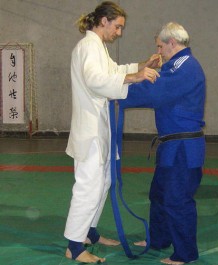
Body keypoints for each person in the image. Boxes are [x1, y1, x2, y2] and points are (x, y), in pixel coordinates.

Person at [64, 1, 160, 263]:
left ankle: (89, 233)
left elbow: (114, 71)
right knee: (88, 187)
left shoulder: (98, 48)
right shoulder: (88, 46)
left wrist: (142, 65)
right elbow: (96, 81)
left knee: (102, 183)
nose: (119, 32)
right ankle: (73, 246)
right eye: (117, 27)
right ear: (103, 21)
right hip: (90, 131)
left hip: (99, 128)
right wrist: (136, 77)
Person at [119, 22, 206, 265]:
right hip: (171, 145)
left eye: (160, 46)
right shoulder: (174, 66)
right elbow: (158, 85)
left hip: (183, 147)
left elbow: (155, 92)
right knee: (158, 194)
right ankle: (159, 239)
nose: (158, 51)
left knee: (178, 199)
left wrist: (117, 91)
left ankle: (185, 253)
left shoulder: (185, 66)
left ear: (172, 43)